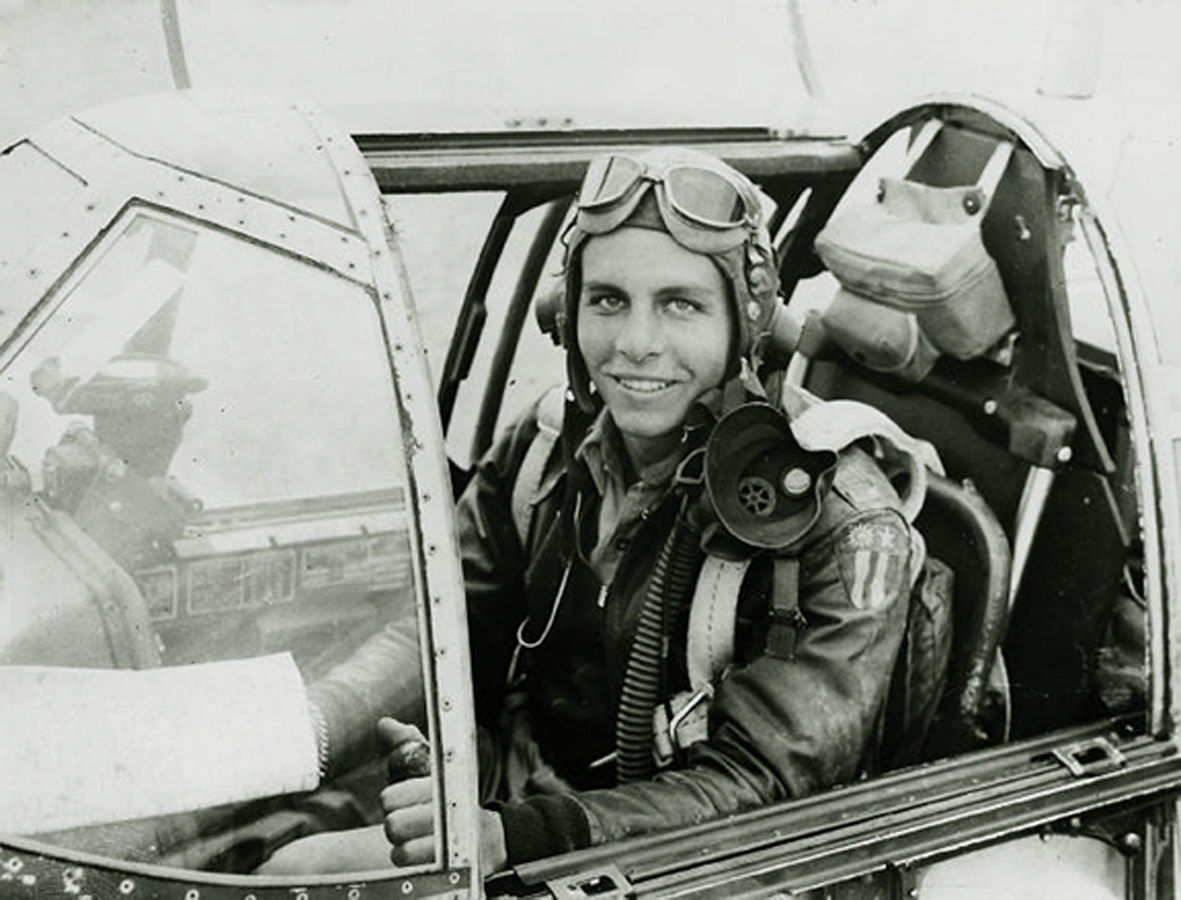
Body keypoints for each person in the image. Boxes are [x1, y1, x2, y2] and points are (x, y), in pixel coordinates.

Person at [262, 146, 918, 875]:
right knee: (250, 842)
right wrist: (307, 728)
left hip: (674, 862)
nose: (635, 345)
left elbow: (764, 784)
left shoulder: (839, 526)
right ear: (564, 313)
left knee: (297, 874)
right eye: (607, 300)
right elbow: (442, 632)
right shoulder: (544, 447)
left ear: (748, 324)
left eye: (681, 304)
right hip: (515, 793)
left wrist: (512, 837)